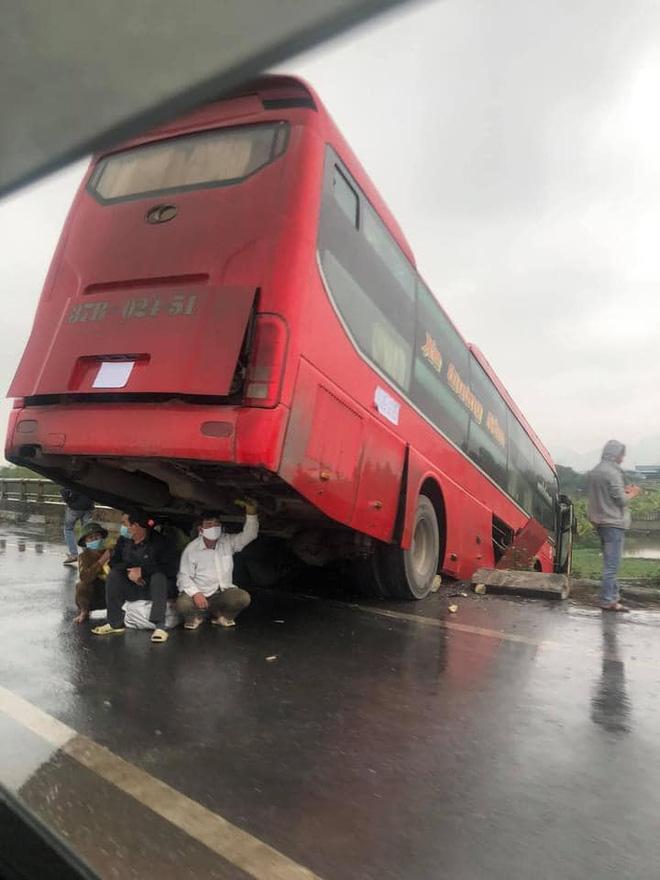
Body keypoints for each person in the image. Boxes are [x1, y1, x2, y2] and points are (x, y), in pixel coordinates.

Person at [92, 512, 179, 643]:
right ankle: (114, 623)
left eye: (125, 524)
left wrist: (143, 571)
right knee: (114, 575)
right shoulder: (123, 541)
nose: (123, 528)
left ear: (136, 525)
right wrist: (130, 573)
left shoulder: (160, 542)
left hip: (157, 588)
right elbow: (114, 562)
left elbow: (171, 568)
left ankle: (160, 627)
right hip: (135, 585)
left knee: (158, 577)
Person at [176, 500, 258, 630]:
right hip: (200, 594)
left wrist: (251, 514)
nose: (213, 528)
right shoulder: (191, 549)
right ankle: (196, 617)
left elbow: (250, 535)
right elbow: (183, 577)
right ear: (200, 529)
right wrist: (196, 593)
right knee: (182, 604)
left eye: (216, 524)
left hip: (219, 594)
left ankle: (221, 616)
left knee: (242, 597)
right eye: (208, 525)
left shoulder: (227, 542)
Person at [586, 439, 641, 612]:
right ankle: (607, 600)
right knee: (612, 565)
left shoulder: (596, 471)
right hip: (613, 523)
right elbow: (621, 500)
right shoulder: (612, 473)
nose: (622, 458)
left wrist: (622, 492)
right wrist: (632, 493)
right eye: (621, 455)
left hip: (600, 521)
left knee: (610, 563)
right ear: (616, 454)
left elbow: (606, 495)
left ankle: (613, 597)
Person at [73, 522, 111, 624]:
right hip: (95, 593)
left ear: (102, 537)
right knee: (81, 585)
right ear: (85, 542)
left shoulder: (111, 551)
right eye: (90, 538)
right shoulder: (84, 556)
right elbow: (85, 577)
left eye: (97, 536)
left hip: (111, 590)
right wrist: (102, 561)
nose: (94, 539)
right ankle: (84, 611)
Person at [60, 487, 95, 565]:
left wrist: (69, 501)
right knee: (86, 531)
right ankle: (88, 555)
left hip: (74, 507)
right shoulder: (91, 477)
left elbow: (65, 491)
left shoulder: (73, 476)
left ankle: (74, 554)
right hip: (88, 506)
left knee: (68, 529)